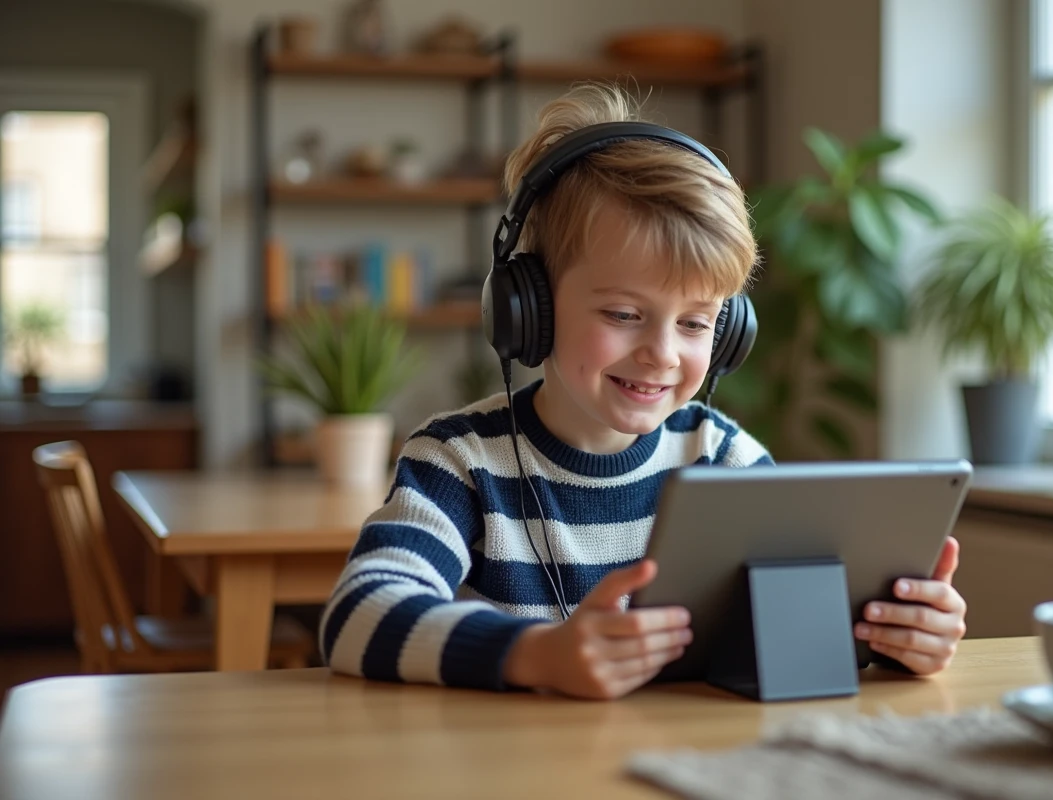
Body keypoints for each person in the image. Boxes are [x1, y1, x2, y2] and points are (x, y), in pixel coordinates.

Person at [319, 83, 967, 699]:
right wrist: (538, 654)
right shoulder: (458, 461)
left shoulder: (724, 460)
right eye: (624, 315)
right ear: (530, 308)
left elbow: (788, 628)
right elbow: (357, 614)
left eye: (695, 323)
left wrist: (896, 636)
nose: (662, 352)